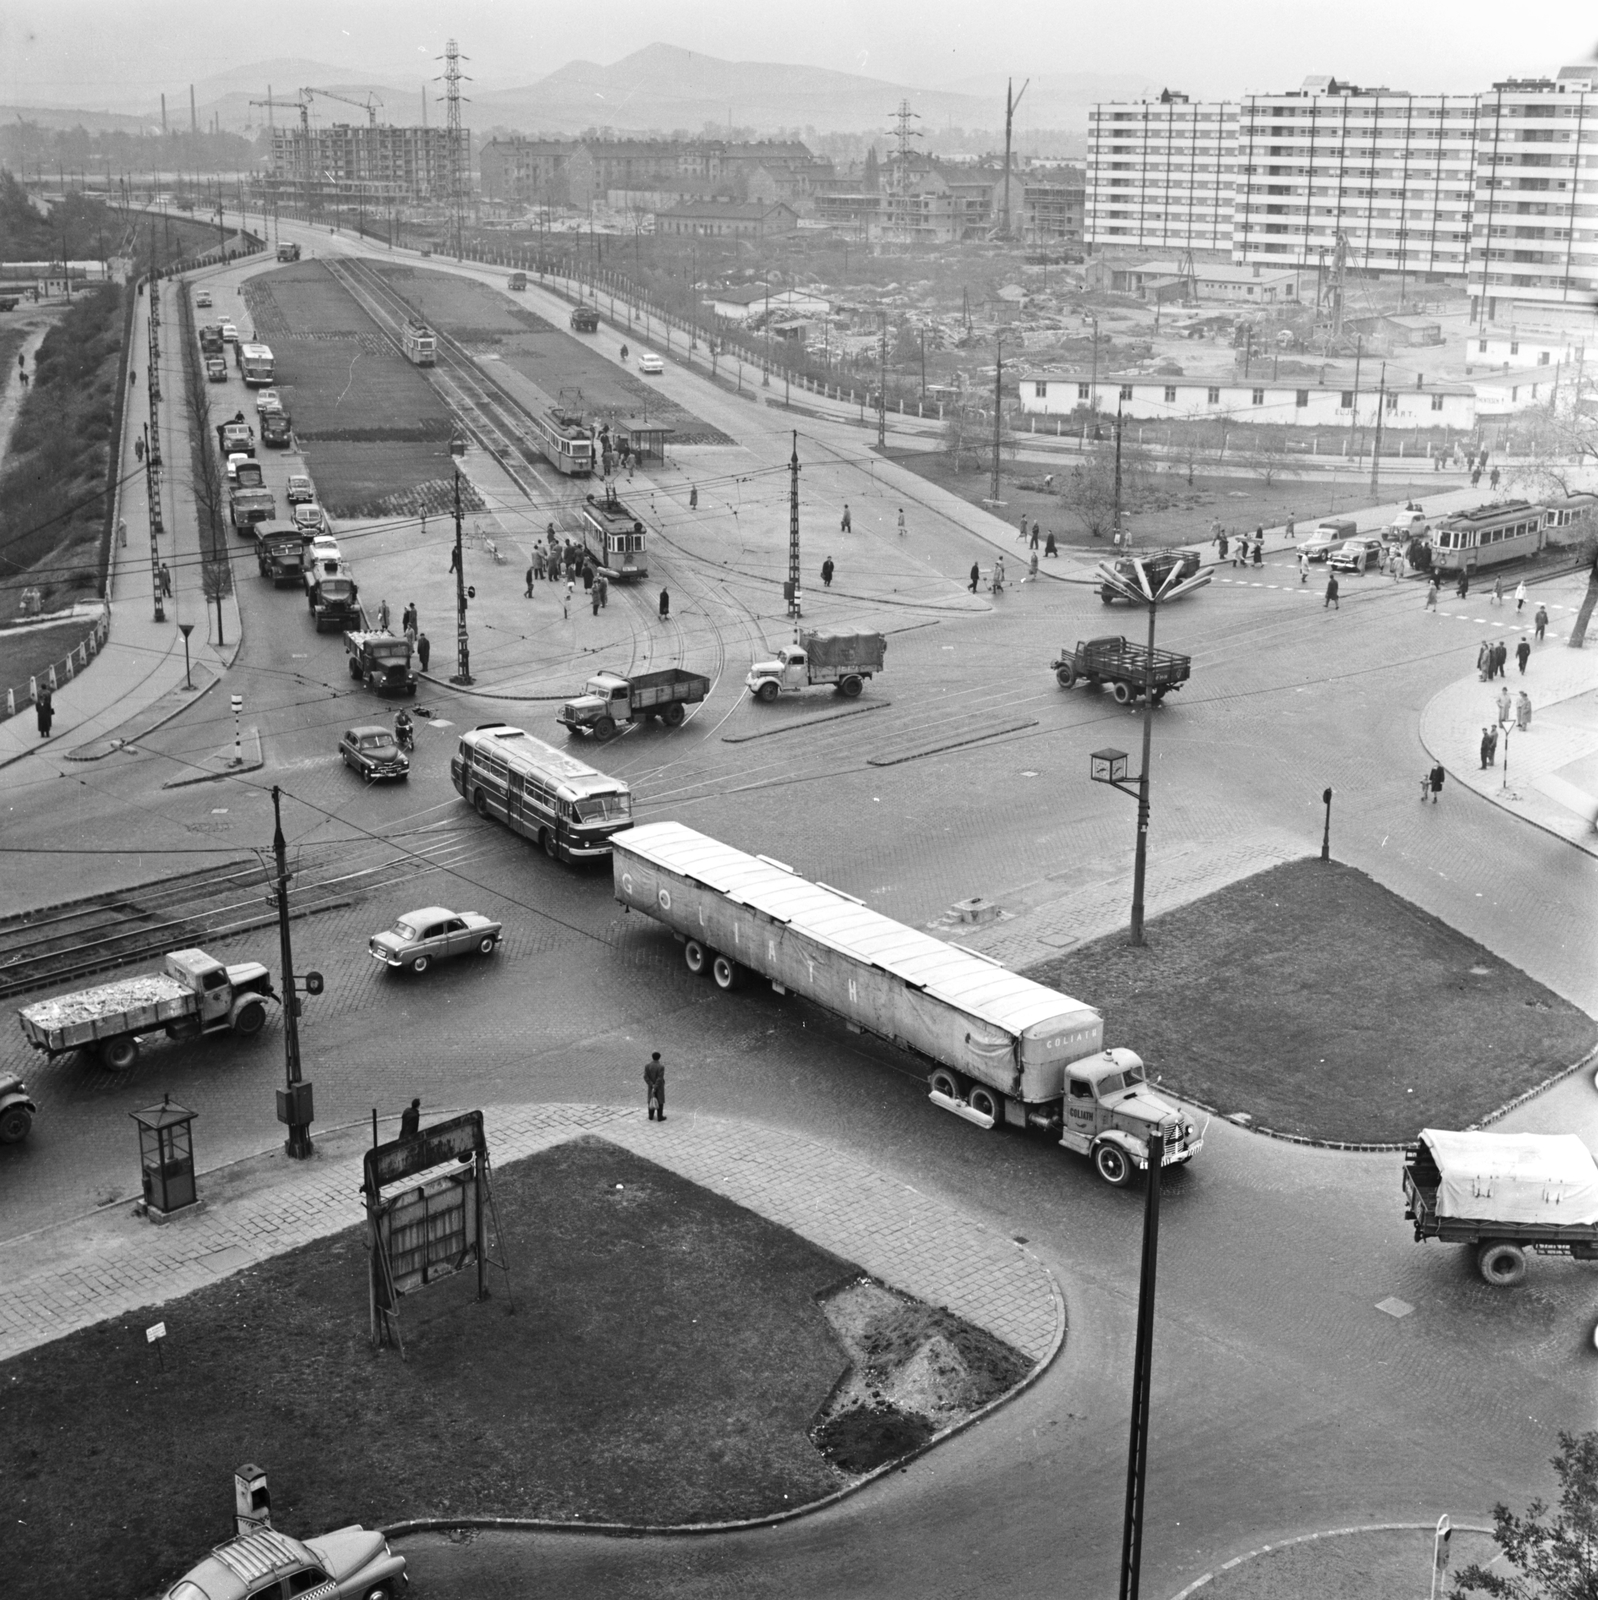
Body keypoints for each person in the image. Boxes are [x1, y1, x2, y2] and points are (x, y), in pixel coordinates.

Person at [644, 1052, 665, 1121]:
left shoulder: (647, 1066)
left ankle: (650, 1115)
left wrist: (651, 1085)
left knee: (651, 1099)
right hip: (659, 1087)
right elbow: (660, 1078)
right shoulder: (661, 1067)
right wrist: (655, 1086)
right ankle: (659, 1116)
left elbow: (645, 1076)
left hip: (651, 1087)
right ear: (659, 1058)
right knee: (660, 1100)